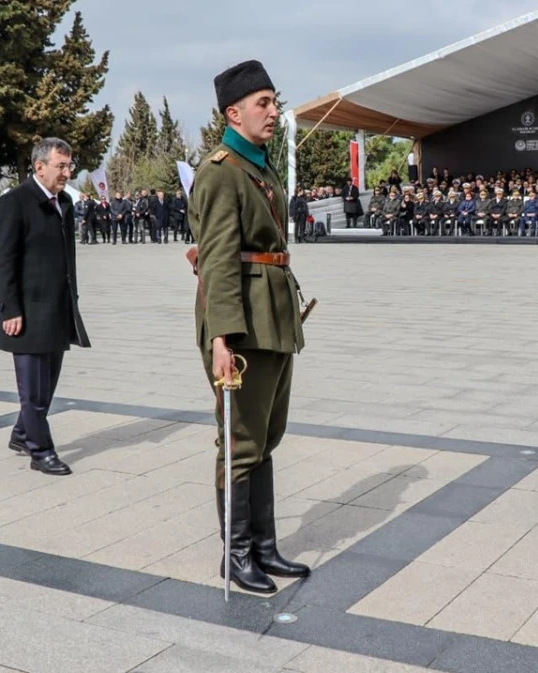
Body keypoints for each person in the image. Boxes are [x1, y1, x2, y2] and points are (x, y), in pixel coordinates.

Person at [190, 59, 310, 594]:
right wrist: (220, 338)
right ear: (232, 113)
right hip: (241, 326)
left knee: (265, 438)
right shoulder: (221, 171)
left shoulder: (258, 168)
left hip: (273, 319)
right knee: (240, 441)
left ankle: (263, 547)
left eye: (274, 100)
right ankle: (236, 555)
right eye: (262, 103)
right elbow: (216, 259)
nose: (273, 110)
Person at [0, 137, 91, 477]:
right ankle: (41, 451)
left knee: (46, 387)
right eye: (61, 166)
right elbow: (2, 261)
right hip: (27, 314)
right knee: (32, 391)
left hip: (57, 310)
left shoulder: (64, 203)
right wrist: (10, 309)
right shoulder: (14, 203)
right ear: (39, 167)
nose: (67, 172)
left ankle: (22, 433)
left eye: (69, 165)